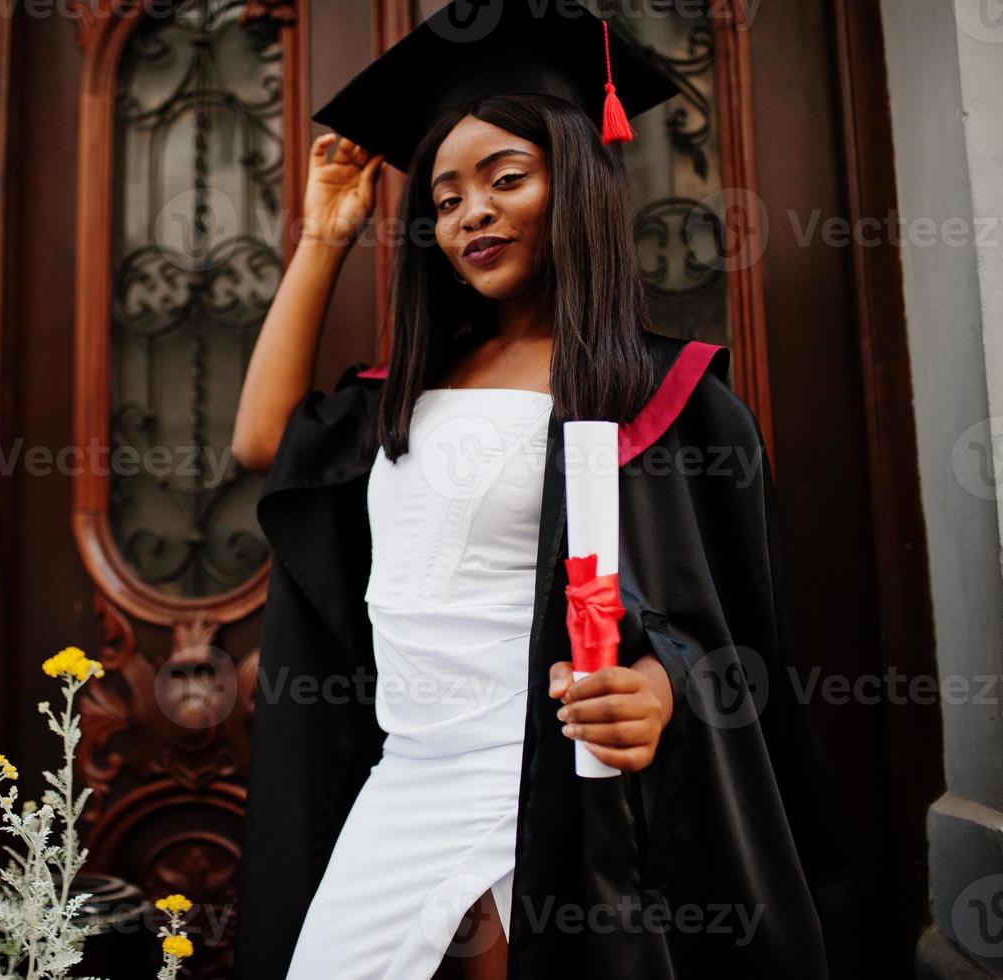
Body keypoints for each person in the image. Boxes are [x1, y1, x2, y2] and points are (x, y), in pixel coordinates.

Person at [230, 3, 858, 979]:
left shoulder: (663, 397)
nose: (470, 211)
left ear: (579, 183)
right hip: (404, 780)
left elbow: (727, 640)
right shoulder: (405, 394)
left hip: (540, 780)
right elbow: (262, 438)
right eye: (443, 199)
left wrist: (660, 687)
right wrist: (324, 234)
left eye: (505, 178)